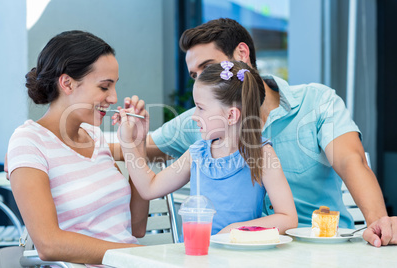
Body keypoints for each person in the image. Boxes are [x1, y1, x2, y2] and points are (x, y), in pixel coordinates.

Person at [146, 18, 397, 247]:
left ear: (241, 54)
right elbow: (132, 146)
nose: (203, 79)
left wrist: (378, 223)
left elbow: (350, 160)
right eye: (195, 75)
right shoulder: (200, 119)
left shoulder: (316, 101)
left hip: (320, 249)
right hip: (245, 254)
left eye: (208, 66)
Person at [7, 30, 149, 265]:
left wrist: (136, 145)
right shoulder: (28, 142)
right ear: (67, 83)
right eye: (104, 87)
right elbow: (49, 244)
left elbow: (136, 226)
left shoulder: (95, 135)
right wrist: (134, 256)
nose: (113, 98)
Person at [117, 60, 298, 236]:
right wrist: (129, 141)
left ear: (231, 115)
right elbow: (150, 188)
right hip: (196, 255)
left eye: (200, 108)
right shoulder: (197, 153)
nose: (194, 116)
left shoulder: (262, 154)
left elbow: (287, 218)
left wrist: (233, 231)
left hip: (239, 257)